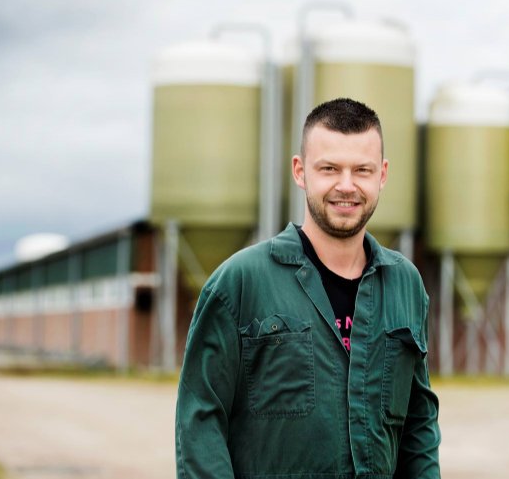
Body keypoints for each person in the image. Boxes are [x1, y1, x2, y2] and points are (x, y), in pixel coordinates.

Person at [175, 98, 441, 479]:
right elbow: (200, 422)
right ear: (300, 171)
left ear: (382, 175)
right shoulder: (240, 283)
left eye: (361, 170)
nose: (346, 186)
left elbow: (419, 426)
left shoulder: (405, 285)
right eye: (329, 168)